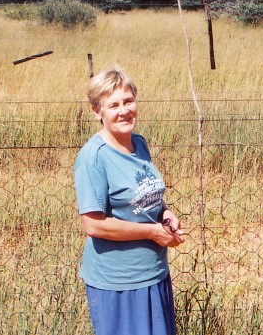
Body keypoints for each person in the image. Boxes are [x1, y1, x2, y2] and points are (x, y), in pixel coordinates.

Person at [74, 67, 185, 335]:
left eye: (128, 101)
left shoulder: (139, 144)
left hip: (154, 273)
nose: (124, 111)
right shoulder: (94, 157)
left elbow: (149, 198)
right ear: (96, 111)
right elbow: (93, 225)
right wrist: (152, 232)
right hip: (119, 283)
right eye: (113, 105)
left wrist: (166, 215)